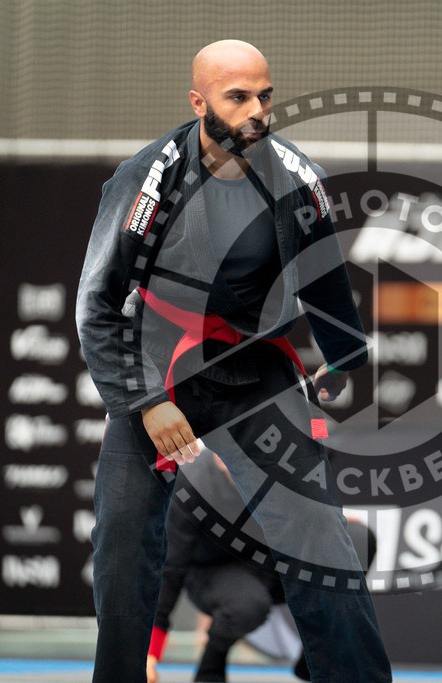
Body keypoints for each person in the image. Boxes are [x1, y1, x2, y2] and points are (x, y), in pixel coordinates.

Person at [76, 39, 392, 683]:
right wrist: (146, 403)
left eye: (265, 96)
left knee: (321, 543)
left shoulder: (298, 177)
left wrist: (342, 357)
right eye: (238, 97)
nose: (257, 111)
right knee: (122, 546)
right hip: (161, 367)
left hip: (254, 369)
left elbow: (324, 281)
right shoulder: (148, 178)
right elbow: (97, 304)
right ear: (198, 103)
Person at [145, 452, 378, 683]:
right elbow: (170, 567)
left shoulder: (281, 468)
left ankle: (315, 655)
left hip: (273, 561)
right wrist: (150, 650)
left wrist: (327, 517)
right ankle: (211, 666)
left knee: (357, 541)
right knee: (246, 605)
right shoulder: (193, 484)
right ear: (218, 456)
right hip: (213, 570)